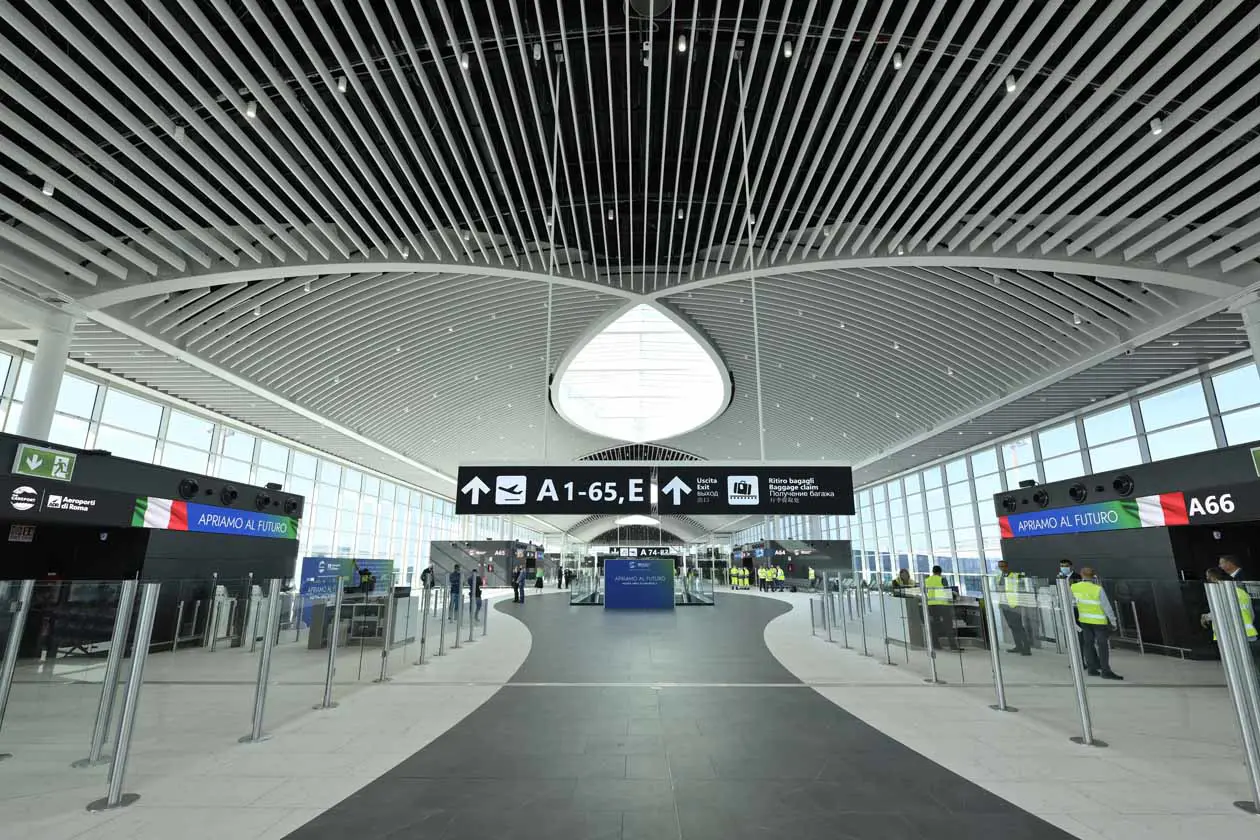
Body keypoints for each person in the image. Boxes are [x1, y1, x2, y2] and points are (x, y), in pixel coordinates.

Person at [1070, 567, 1122, 680]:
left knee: (1088, 644)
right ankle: (1105, 670)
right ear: (1093, 576)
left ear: (1081, 575)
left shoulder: (1074, 587)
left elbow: (1072, 603)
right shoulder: (1097, 589)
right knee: (1102, 645)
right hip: (1099, 621)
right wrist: (1113, 621)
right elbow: (1106, 607)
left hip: (1084, 620)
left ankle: (1091, 668)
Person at [996, 560, 1031, 656]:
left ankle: (1026, 648)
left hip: (1014, 604)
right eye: (1000, 566)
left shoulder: (1015, 576)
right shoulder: (999, 577)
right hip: (1004, 604)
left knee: (1018, 627)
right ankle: (1018, 646)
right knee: (1012, 626)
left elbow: (1022, 587)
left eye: (1003, 566)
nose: (1002, 568)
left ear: (1007, 566)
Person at [924, 565, 960, 652]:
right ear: (940, 572)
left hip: (931, 605)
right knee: (948, 625)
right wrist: (954, 595)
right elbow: (946, 592)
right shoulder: (942, 579)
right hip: (943, 605)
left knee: (934, 625)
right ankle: (953, 646)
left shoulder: (927, 580)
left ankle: (936, 645)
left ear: (933, 571)